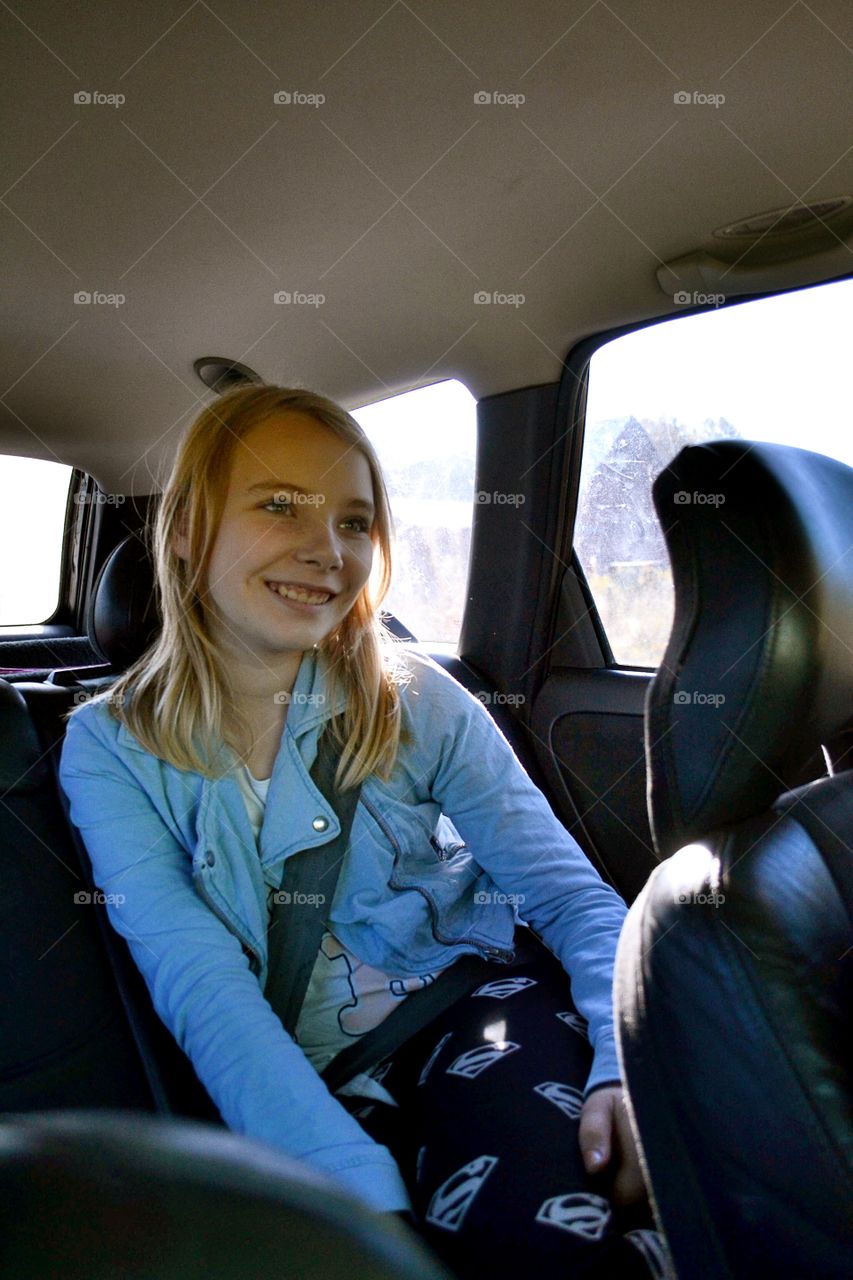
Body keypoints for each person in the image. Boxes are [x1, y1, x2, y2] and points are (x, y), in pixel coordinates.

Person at [59, 384, 671, 1280]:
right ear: (187, 529)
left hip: (478, 1007)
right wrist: (356, 1193)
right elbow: (199, 981)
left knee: (555, 1238)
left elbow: (569, 899)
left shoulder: (417, 700)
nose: (326, 551)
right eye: (279, 507)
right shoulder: (110, 747)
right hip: (299, 1076)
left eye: (354, 521)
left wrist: (624, 1066)